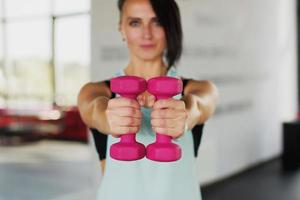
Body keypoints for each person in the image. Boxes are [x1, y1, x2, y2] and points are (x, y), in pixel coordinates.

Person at [77, 0, 219, 199]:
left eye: (157, 22)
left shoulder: (196, 90)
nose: (146, 34)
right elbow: (94, 109)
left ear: (170, 27)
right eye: (135, 23)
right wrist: (107, 117)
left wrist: (185, 115)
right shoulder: (97, 92)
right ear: (121, 29)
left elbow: (199, 104)